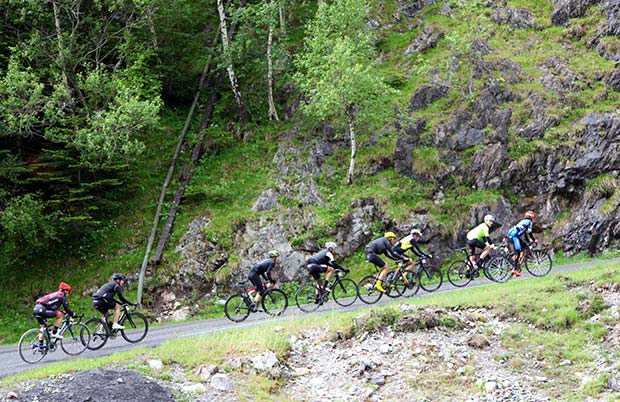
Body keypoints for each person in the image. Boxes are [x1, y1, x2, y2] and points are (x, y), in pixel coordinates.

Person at [507, 210, 537, 276]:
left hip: (512, 235)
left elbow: (525, 233)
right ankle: (514, 269)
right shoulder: (529, 222)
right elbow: (529, 232)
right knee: (518, 251)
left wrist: (528, 242)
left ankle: (515, 260)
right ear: (531, 217)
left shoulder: (523, 221)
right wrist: (534, 240)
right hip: (514, 236)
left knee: (524, 246)